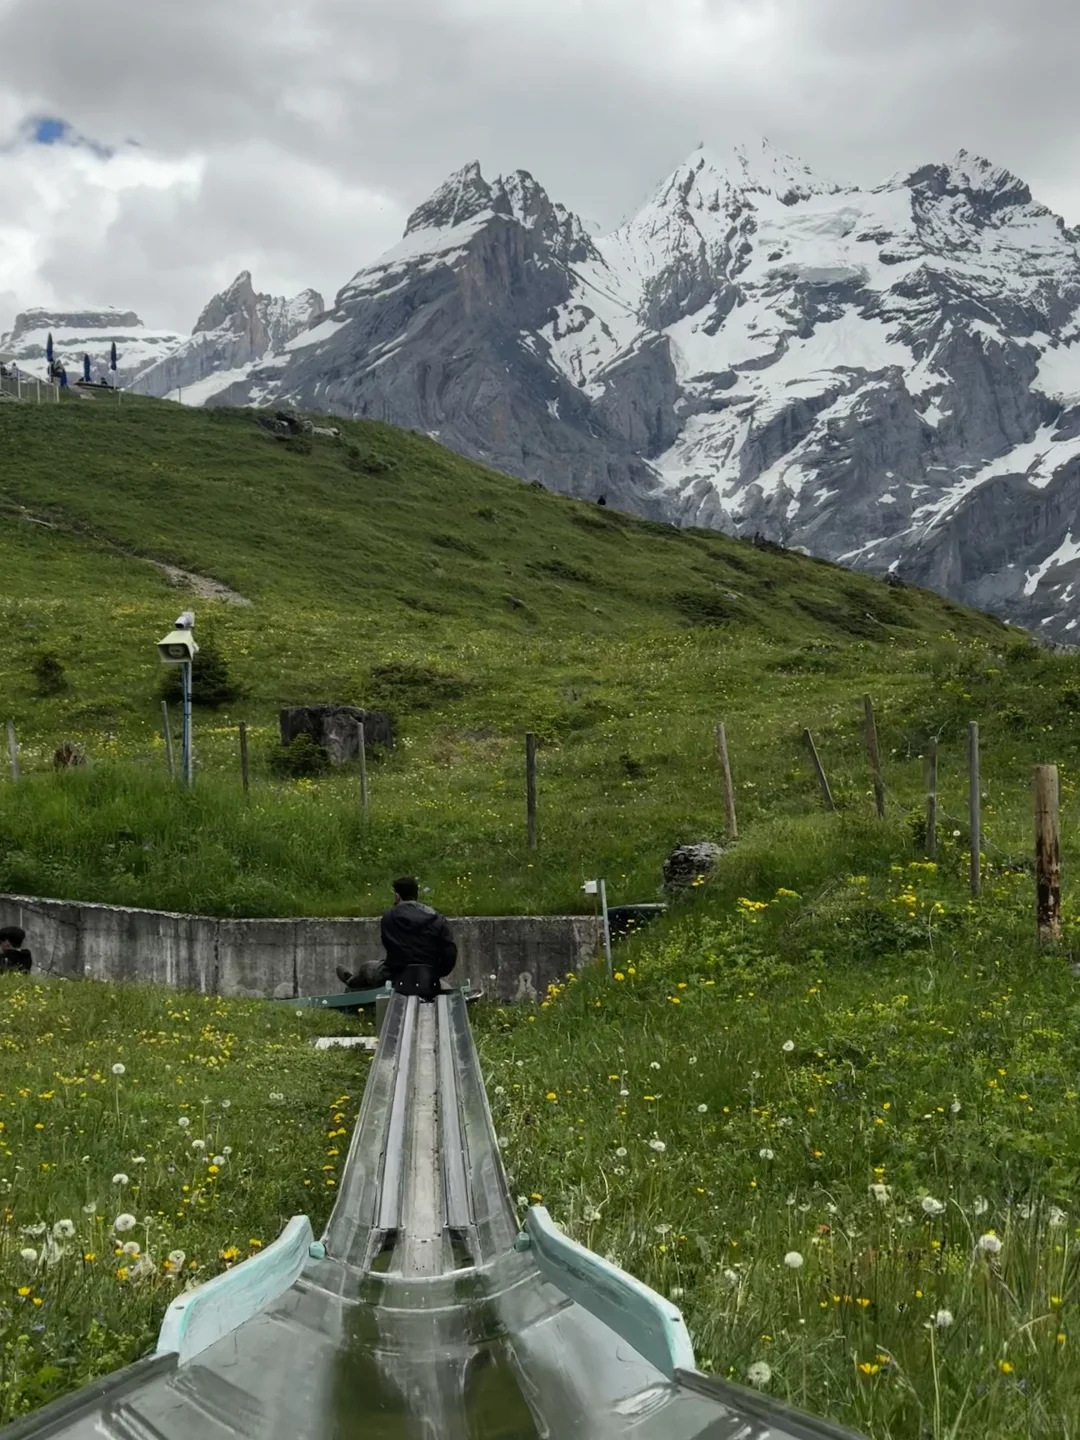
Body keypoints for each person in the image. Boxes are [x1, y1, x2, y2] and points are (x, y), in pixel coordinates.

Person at [337, 877, 456, 1002]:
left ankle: (351, 982)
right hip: (426, 976)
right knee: (446, 988)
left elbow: (388, 945)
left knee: (366, 967)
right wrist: (437, 972)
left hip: (394, 975)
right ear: (416, 895)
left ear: (397, 897)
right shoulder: (437, 919)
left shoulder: (389, 917)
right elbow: (450, 953)